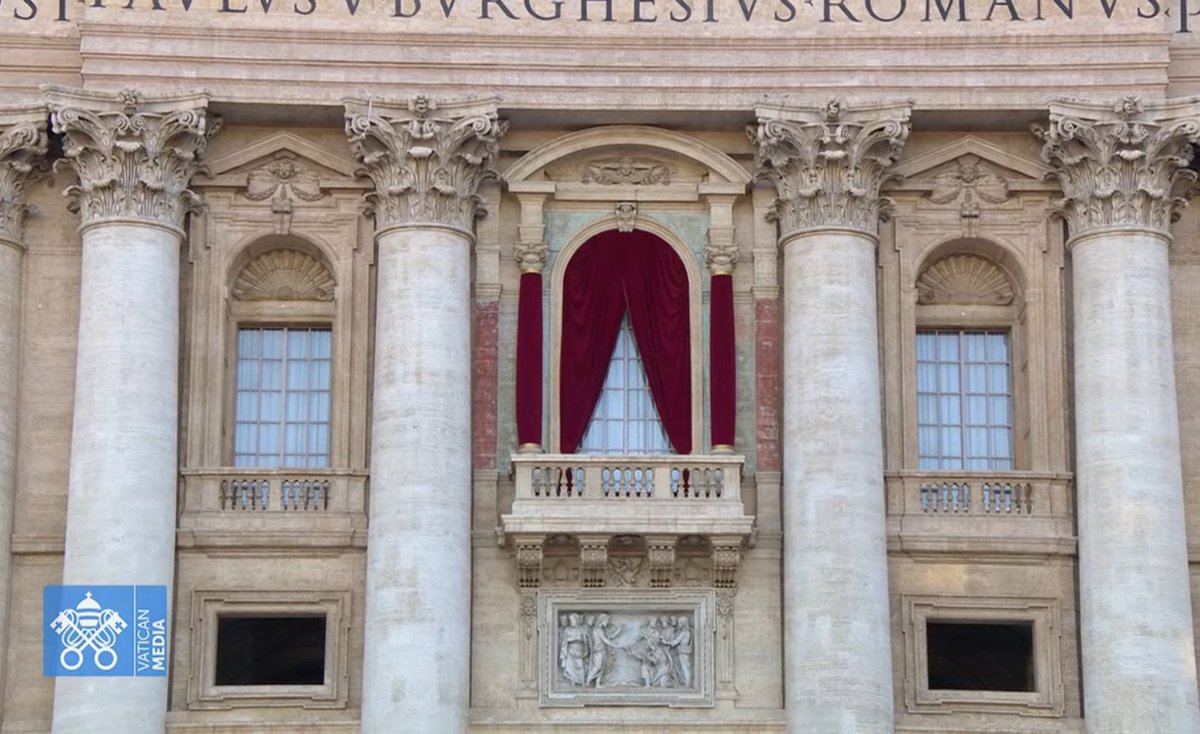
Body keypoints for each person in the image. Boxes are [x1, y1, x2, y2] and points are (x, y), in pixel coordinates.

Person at [585, 613, 622, 687]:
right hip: (598, 651)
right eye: (607, 621)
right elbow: (605, 640)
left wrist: (618, 631)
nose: (607, 623)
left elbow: (608, 637)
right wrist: (615, 645)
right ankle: (587, 681)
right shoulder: (597, 629)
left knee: (602, 667)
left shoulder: (601, 629)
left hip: (602, 651)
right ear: (602, 620)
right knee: (597, 667)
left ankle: (597, 684)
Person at [559, 613, 589, 686]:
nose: (571, 621)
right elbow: (565, 640)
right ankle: (573, 683)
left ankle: (582, 682)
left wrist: (585, 649)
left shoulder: (582, 629)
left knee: (580, 666)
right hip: (570, 650)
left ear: (577, 620)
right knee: (570, 667)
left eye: (573, 620)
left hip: (579, 650)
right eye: (570, 620)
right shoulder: (568, 629)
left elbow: (585, 640)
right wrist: (574, 639)